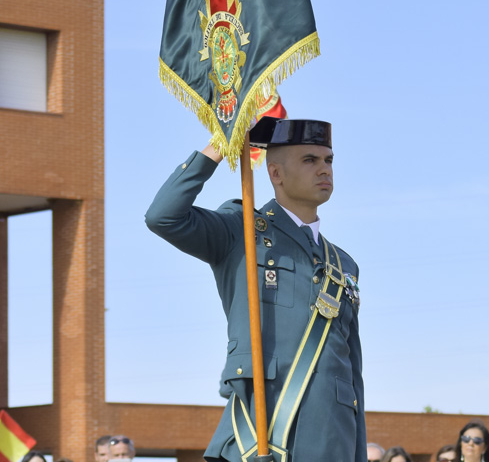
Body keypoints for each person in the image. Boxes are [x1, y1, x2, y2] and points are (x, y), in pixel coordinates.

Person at [146, 118, 364, 462]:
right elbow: (163, 217)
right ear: (275, 173)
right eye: (310, 160)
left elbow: (352, 373)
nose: (324, 169)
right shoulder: (242, 230)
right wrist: (219, 145)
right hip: (260, 432)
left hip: (331, 438)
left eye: (328, 160)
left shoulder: (343, 264)